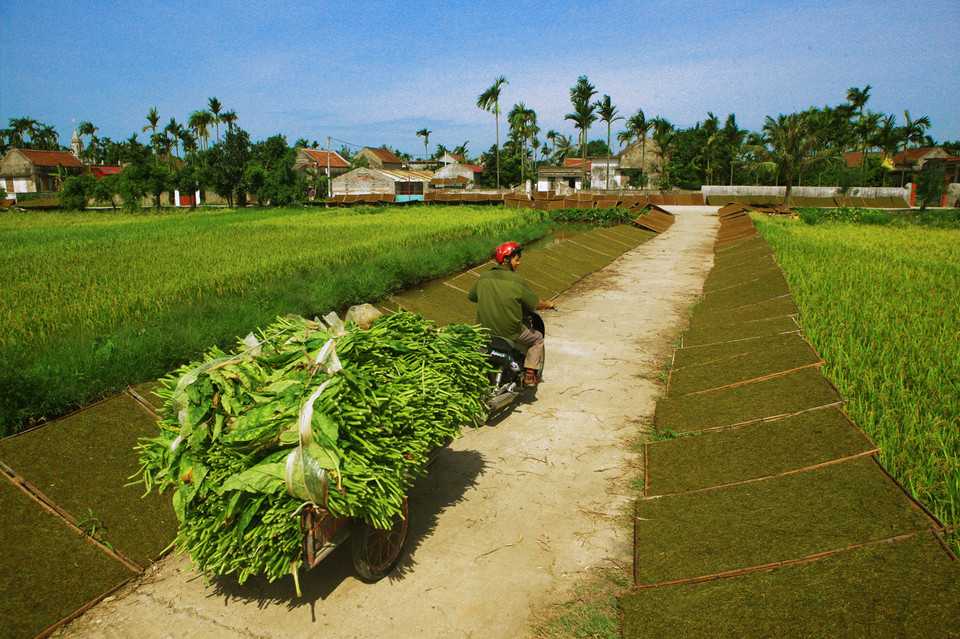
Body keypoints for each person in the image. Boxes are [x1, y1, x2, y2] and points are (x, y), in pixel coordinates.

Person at [467, 241, 555, 385]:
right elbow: (535, 304)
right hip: (510, 331)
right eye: (516, 259)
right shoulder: (517, 281)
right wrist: (548, 304)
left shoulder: (484, 278)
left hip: (484, 330)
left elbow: (472, 297)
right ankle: (530, 374)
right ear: (506, 259)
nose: (518, 263)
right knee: (538, 338)